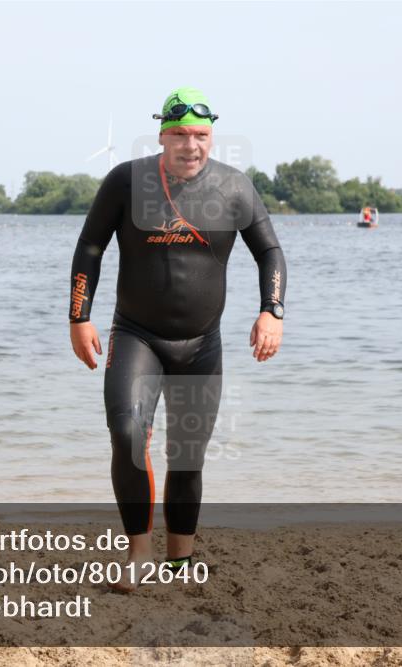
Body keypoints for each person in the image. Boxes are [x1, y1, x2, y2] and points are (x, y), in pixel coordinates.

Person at [68, 87, 287, 592]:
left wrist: (271, 311)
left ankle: (180, 563)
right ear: (161, 135)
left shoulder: (234, 188)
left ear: (212, 137)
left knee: (187, 457)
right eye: (180, 134)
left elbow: (270, 251)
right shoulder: (127, 181)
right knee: (127, 435)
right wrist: (79, 316)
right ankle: (139, 555)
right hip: (137, 337)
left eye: (202, 135)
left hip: (201, 344)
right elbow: (91, 247)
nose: (192, 145)